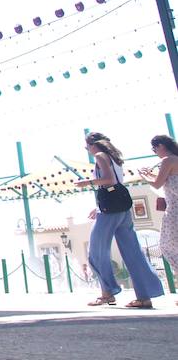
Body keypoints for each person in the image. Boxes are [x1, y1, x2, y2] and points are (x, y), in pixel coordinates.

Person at [75, 132, 164, 308]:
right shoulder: (115, 158)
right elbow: (116, 182)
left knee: (96, 252)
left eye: (87, 146)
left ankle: (107, 293)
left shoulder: (100, 155)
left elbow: (108, 180)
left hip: (109, 211)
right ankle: (144, 296)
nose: (87, 150)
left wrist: (88, 182)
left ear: (94, 145)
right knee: (133, 253)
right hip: (122, 208)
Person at [139, 134, 178, 305]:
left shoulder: (168, 160)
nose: (155, 152)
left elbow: (157, 184)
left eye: (154, 149)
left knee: (167, 246)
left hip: (175, 209)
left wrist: (144, 175)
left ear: (161, 145)